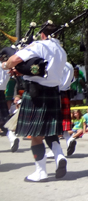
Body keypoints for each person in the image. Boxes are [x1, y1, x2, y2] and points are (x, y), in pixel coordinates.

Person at [2, 23, 68, 182]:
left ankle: (40, 172)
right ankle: (59, 156)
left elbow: (15, 59)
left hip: (35, 93)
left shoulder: (40, 45)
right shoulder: (62, 51)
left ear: (43, 34)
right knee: (50, 131)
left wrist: (6, 65)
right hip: (53, 92)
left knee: (36, 135)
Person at [60, 62, 77, 157]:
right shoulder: (69, 66)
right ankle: (69, 139)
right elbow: (72, 80)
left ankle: (55, 149)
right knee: (61, 122)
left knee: (53, 124)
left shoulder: (54, 63)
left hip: (54, 93)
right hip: (65, 93)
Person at [0, 65, 18, 152]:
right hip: (1, 93)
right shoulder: (4, 66)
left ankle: (12, 137)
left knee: (2, 120)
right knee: (3, 120)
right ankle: (12, 137)